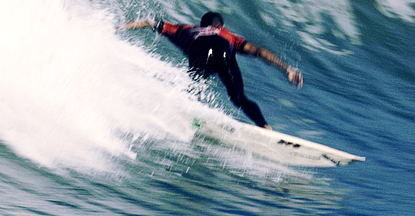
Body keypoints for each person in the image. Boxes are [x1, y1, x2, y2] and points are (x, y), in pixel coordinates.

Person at [124, 10, 303, 129]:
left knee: (193, 91)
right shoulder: (228, 35)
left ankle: (190, 123)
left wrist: (118, 27)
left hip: (198, 48)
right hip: (222, 47)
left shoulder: (184, 30)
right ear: (221, 27)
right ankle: (265, 128)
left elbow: (148, 21)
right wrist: (286, 68)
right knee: (239, 98)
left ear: (201, 25)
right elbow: (259, 51)